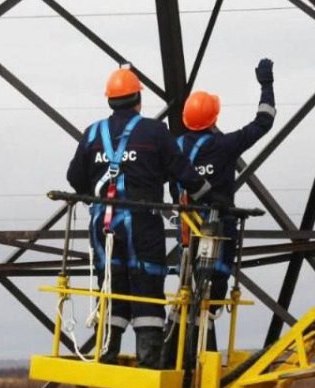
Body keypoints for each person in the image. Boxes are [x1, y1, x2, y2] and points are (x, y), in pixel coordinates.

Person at [66, 64, 211, 368]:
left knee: (111, 282)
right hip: (142, 223)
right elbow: (184, 173)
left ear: (110, 101)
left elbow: (74, 178)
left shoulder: (93, 133)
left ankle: (106, 353)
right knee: (147, 285)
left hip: (102, 224)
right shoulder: (154, 131)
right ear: (138, 100)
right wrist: (208, 197)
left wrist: (97, 197)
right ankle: (149, 361)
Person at [171, 58, 276, 340]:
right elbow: (264, 121)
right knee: (212, 293)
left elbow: (168, 183)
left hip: (186, 231)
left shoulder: (175, 148)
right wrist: (267, 85)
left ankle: (192, 346)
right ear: (213, 118)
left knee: (188, 290)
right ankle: (206, 349)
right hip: (219, 230)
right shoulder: (223, 145)